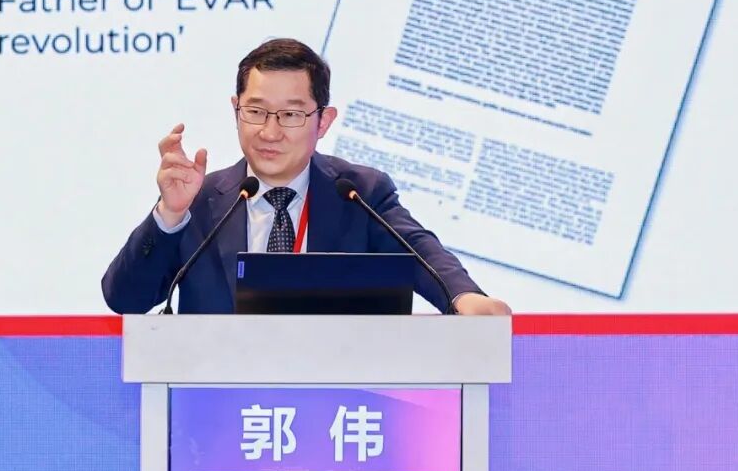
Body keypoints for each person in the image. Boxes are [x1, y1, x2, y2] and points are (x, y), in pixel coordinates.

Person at [103, 38, 510, 315]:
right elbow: (125, 299)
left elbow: (421, 253)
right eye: (256, 111)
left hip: (336, 408)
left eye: (291, 114)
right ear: (235, 110)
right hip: (219, 409)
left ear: (323, 121)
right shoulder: (201, 200)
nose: (270, 132)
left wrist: (463, 297)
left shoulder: (358, 194)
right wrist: (170, 215)